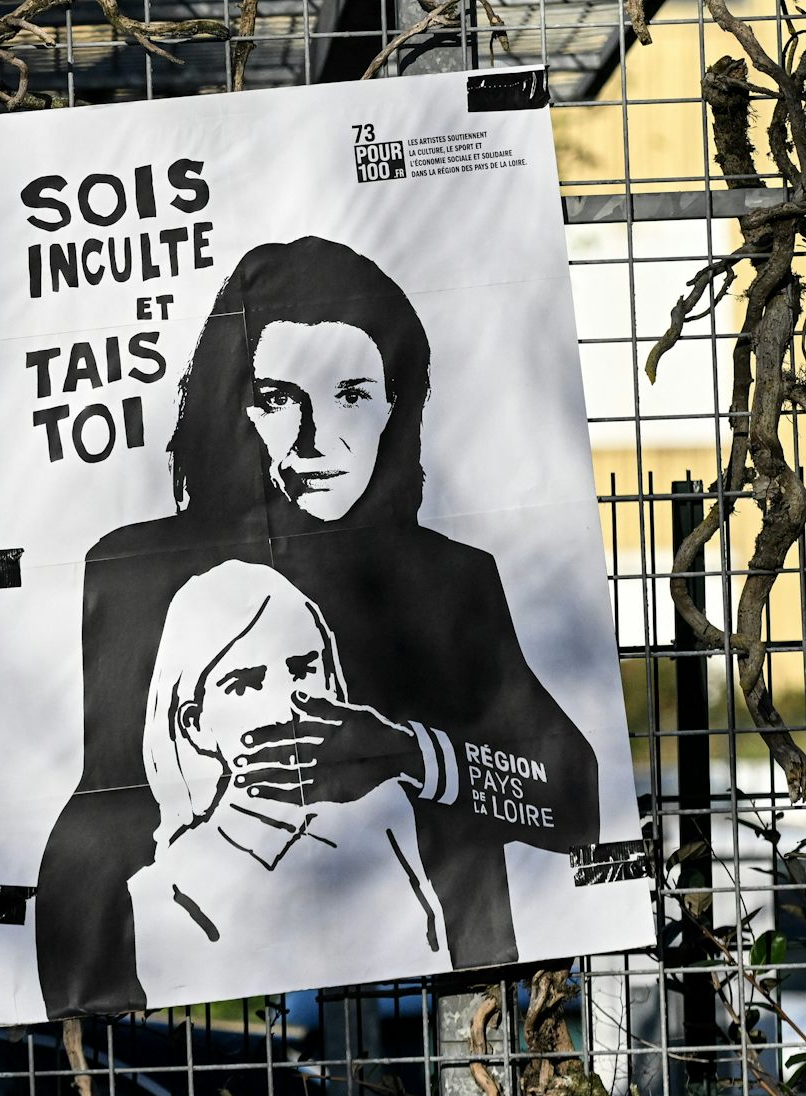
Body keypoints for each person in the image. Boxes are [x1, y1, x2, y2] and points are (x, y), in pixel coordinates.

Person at [35, 235, 598, 1018]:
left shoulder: (448, 576)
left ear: (397, 406)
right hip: (200, 970)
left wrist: (412, 756)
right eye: (277, 399)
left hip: (438, 976)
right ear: (231, 406)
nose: (315, 439)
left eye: (352, 396)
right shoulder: (141, 568)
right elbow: (107, 806)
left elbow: (576, 800)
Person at [125, 560, 448, 1006]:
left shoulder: (387, 815)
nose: (286, 704)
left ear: (330, 679)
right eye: (245, 684)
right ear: (195, 724)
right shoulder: (168, 891)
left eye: (302, 670)